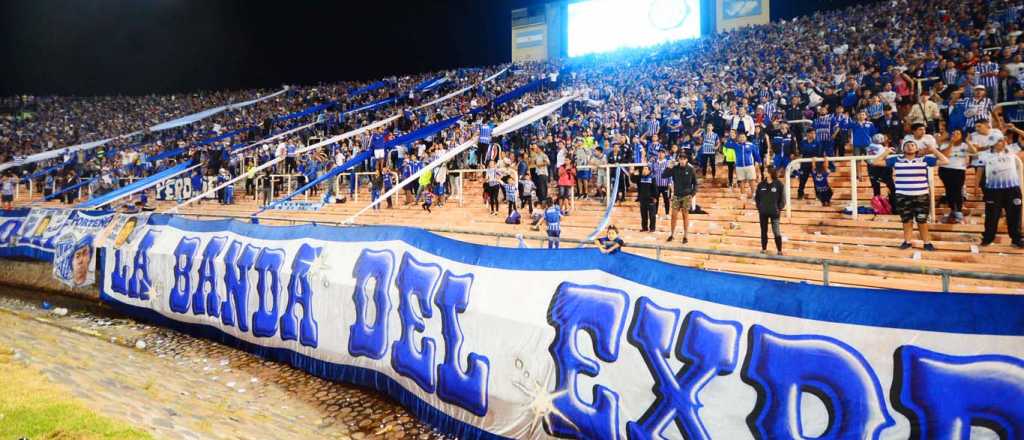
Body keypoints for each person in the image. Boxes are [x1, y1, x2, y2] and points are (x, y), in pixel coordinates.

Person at [873, 140, 949, 251]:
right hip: (902, 196)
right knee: (906, 220)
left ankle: (927, 243)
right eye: (907, 145)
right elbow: (875, 162)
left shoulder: (924, 159)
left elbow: (945, 161)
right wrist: (887, 152)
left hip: (921, 195)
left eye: (913, 145)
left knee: (922, 221)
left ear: (917, 149)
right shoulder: (896, 160)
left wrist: (933, 150)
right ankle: (907, 242)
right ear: (903, 149)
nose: (910, 147)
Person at [975, 139, 1023, 247]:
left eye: (1001, 140)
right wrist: (976, 185)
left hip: (1012, 189)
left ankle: (1016, 239)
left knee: (1014, 215)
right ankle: (988, 239)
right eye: (996, 141)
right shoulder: (984, 155)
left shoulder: (1012, 149)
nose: (999, 143)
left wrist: (1014, 129)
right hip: (993, 190)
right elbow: (979, 170)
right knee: (992, 216)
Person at [939, 129, 975, 223]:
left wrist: (967, 141)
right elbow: (945, 155)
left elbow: (974, 152)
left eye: (958, 133)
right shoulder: (945, 144)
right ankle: (952, 209)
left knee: (958, 190)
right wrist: (951, 143)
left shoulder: (965, 145)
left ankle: (958, 211)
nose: (955, 134)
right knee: (949, 190)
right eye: (953, 133)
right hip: (945, 169)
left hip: (959, 170)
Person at [662, 152, 698, 243]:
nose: (682, 160)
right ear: (678, 159)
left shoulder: (690, 169)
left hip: (686, 195)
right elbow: (663, 176)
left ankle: (685, 235)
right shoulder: (674, 168)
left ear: (686, 160)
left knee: (685, 215)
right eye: (680, 159)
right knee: (674, 215)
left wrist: (692, 194)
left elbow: (696, 183)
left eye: (683, 159)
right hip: (676, 195)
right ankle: (672, 234)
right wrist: (669, 166)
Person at [755, 167, 786, 254]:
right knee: (763, 231)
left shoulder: (779, 184)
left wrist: (779, 208)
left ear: (770, 173)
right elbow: (757, 198)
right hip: (763, 212)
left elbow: (783, 199)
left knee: (776, 231)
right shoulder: (761, 185)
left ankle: (779, 250)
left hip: (774, 213)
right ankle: (764, 249)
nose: (763, 172)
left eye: (765, 171)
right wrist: (759, 207)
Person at [725, 132, 761, 199]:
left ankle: (754, 194)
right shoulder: (735, 145)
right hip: (739, 166)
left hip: (749, 166)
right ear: (738, 138)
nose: (742, 138)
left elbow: (756, 154)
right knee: (741, 181)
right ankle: (743, 194)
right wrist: (731, 139)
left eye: (743, 137)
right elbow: (726, 145)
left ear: (746, 138)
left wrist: (759, 161)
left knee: (752, 180)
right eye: (740, 137)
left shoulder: (751, 145)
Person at [632, 165, 657, 232]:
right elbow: (633, 180)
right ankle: (644, 227)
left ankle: (652, 228)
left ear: (649, 170)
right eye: (643, 169)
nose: (644, 170)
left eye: (646, 169)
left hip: (650, 199)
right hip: (643, 199)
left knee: (652, 215)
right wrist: (633, 174)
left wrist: (654, 197)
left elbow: (655, 188)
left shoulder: (652, 178)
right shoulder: (640, 177)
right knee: (643, 215)